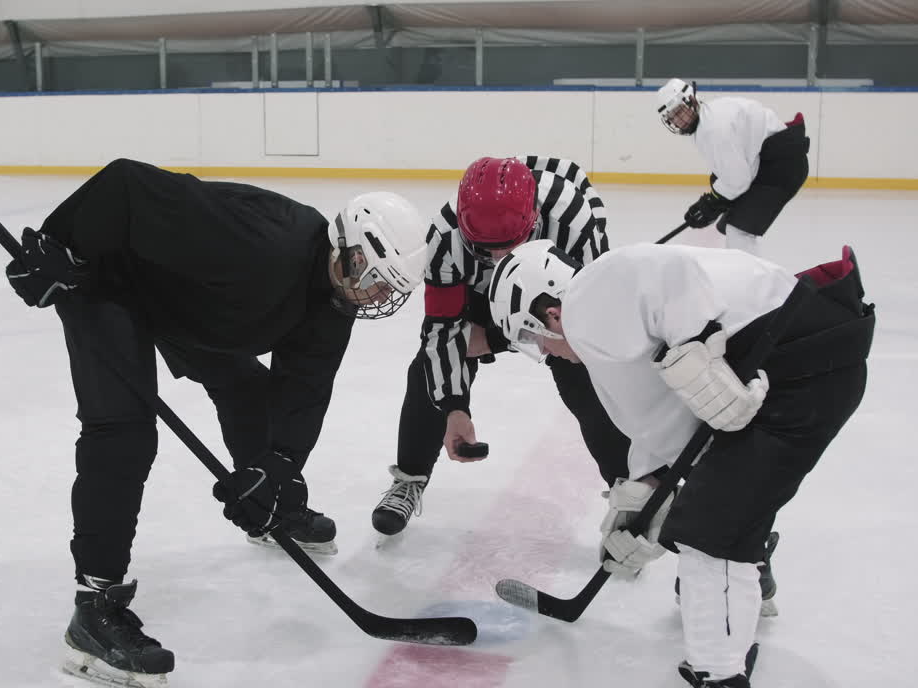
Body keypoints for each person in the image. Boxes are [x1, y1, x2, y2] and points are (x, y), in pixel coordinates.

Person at [4, 158, 429, 686]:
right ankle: (95, 608)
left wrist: (276, 470)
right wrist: (58, 246)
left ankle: (269, 510)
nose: (380, 298)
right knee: (124, 434)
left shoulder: (333, 302)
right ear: (354, 252)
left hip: (189, 307)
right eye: (379, 282)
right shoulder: (262, 243)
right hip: (110, 281)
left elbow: (305, 390)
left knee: (249, 391)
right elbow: (127, 185)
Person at [488, 239, 874, 687]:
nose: (545, 351)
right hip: (800, 368)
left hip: (802, 363)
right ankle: (744, 587)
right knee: (714, 512)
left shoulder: (588, 298)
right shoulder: (603, 342)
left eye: (533, 338)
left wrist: (697, 348)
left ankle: (721, 672)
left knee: (712, 531)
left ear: (549, 313)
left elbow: (665, 274)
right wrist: (640, 499)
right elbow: (658, 426)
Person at [370, 156, 631, 538]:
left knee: (587, 381)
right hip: (477, 299)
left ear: (536, 220)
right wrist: (454, 407)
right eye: (484, 250)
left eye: (508, 247)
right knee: (428, 370)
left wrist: (491, 338)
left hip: (553, 300)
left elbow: (591, 317)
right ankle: (410, 477)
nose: (497, 260)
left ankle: (629, 492)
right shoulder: (444, 239)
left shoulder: (573, 220)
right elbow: (441, 331)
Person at [655, 79, 811, 256]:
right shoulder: (704, 120)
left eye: (679, 112)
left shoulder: (714, 128)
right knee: (729, 223)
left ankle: (751, 281)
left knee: (739, 232)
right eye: (672, 117)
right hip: (765, 162)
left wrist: (710, 203)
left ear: (692, 99)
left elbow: (738, 181)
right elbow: (733, 171)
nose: (678, 121)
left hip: (782, 166)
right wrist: (714, 201)